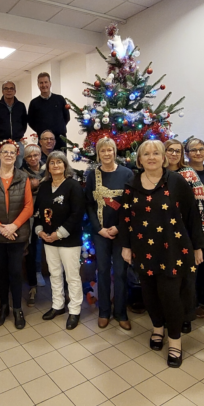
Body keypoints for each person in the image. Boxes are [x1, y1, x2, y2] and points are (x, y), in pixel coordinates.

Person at [118, 140, 204, 368]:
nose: (151, 157)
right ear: (139, 159)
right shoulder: (132, 183)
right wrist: (126, 246)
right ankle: (157, 328)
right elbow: (125, 218)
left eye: (156, 153)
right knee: (149, 294)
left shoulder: (176, 181)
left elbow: (193, 216)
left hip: (173, 249)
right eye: (146, 154)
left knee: (170, 296)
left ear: (163, 157)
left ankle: (175, 341)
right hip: (143, 249)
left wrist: (197, 247)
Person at [0, 140, 34, 329]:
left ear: (16, 155)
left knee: (15, 272)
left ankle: (18, 308)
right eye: (5, 152)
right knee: (1, 273)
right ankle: (3, 307)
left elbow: (29, 206)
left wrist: (13, 226)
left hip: (17, 234)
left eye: (12, 152)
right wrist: (0, 227)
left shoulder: (23, 177)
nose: (9, 155)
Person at [85, 138, 133, 331]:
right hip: (101, 232)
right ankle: (104, 311)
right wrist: (98, 229)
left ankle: (121, 313)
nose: (106, 154)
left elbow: (131, 204)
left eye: (109, 150)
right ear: (98, 153)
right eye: (102, 150)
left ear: (115, 152)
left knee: (120, 272)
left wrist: (120, 227)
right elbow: (88, 203)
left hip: (121, 232)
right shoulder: (92, 175)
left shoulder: (127, 174)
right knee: (103, 271)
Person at [34, 151, 85, 330]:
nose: (55, 165)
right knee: (54, 274)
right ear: (47, 167)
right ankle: (58, 305)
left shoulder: (73, 186)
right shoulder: (44, 186)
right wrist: (40, 231)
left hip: (68, 239)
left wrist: (59, 233)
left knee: (72, 276)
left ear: (65, 165)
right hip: (48, 239)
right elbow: (38, 212)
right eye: (52, 163)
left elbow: (77, 213)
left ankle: (75, 310)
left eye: (59, 162)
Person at [165, 139, 204, 327]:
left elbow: (200, 206)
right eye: (170, 150)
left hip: (186, 235)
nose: (174, 154)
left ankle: (186, 317)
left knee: (187, 279)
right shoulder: (157, 174)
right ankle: (168, 315)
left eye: (178, 151)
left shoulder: (188, 174)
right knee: (168, 279)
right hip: (163, 236)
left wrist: (197, 237)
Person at [183, 137, 204, 313]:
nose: (198, 153)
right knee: (192, 265)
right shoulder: (184, 172)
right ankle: (193, 302)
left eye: (201, 149)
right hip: (191, 226)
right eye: (193, 150)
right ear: (187, 154)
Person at [22, 144, 46, 302]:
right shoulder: (21, 173)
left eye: (35, 155)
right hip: (30, 214)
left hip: (47, 212)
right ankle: (33, 281)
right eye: (29, 156)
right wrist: (30, 186)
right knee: (31, 247)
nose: (33, 158)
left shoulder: (48, 170)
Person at [0, 81, 28, 165]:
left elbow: (24, 122)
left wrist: (20, 134)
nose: (9, 91)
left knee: (19, 165)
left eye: (11, 88)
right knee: (2, 166)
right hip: (1, 142)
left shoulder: (21, 106)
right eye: (6, 88)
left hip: (17, 141)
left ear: (15, 91)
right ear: (2, 91)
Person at [28, 72, 70, 151]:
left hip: (60, 139)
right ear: (38, 85)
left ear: (50, 83)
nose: (44, 85)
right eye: (41, 83)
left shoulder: (60, 99)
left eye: (46, 82)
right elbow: (31, 122)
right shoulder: (34, 103)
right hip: (43, 141)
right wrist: (42, 130)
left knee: (61, 162)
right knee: (44, 162)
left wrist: (58, 128)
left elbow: (66, 117)